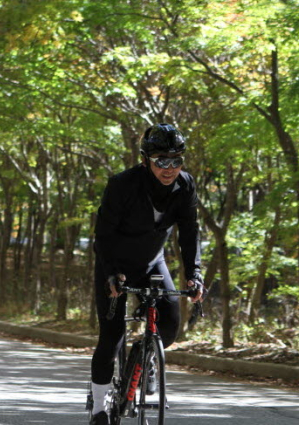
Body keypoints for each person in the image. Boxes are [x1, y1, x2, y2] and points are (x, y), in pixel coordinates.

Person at [89, 123, 205, 425]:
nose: (170, 168)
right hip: (114, 263)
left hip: (153, 263)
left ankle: (144, 356)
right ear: (145, 160)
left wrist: (195, 274)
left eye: (176, 160)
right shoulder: (122, 185)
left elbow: (190, 233)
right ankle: (100, 409)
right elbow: (103, 235)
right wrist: (112, 274)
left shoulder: (186, 185)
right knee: (112, 337)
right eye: (161, 161)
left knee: (168, 328)